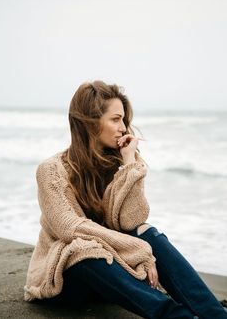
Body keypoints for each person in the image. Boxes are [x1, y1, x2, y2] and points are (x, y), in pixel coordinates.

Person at [24, 81, 227, 319]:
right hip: (63, 280)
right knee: (83, 248)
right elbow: (70, 228)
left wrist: (130, 164)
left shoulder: (117, 164)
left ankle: (215, 315)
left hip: (112, 277)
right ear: (91, 122)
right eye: (115, 119)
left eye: (123, 120)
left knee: (147, 233)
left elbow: (131, 221)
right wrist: (137, 248)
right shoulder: (51, 170)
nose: (123, 127)